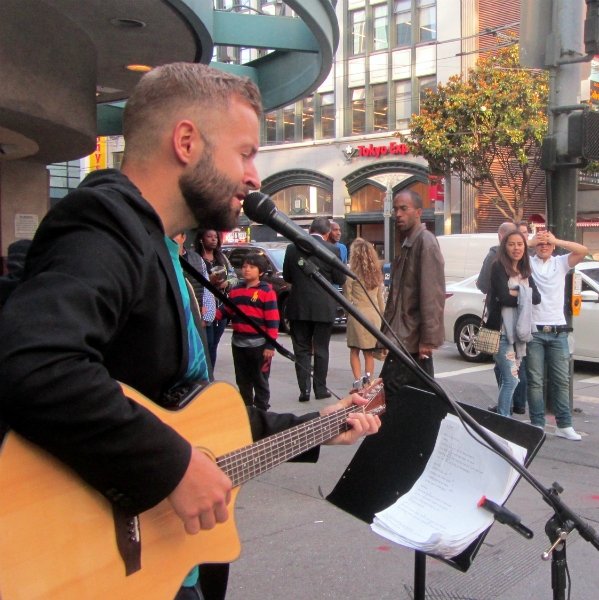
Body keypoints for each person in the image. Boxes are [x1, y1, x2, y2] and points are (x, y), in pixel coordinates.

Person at [0, 63, 380, 600]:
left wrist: (310, 428)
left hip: (169, 564)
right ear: (185, 141)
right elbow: (35, 363)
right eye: (245, 152)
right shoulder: (104, 222)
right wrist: (173, 467)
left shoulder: (165, 247)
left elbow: (182, 413)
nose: (254, 176)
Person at [526, 230, 588, 440]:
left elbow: (583, 250)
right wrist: (532, 241)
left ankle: (564, 424)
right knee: (535, 381)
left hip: (558, 330)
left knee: (562, 380)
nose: (544, 246)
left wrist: (555, 240)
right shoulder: (528, 263)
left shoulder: (560, 262)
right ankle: (536, 423)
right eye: (540, 243)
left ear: (553, 246)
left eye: (547, 243)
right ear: (534, 246)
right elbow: (505, 253)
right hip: (534, 330)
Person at [380, 190, 445, 385]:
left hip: (412, 343)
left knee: (404, 401)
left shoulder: (425, 242)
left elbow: (432, 294)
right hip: (403, 340)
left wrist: (428, 339)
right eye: (395, 209)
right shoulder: (410, 242)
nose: (398, 214)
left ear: (418, 212)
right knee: (402, 402)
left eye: (403, 209)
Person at [283, 216, 347, 402]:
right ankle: (320, 389)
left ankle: (304, 390)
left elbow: (287, 275)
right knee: (321, 348)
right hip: (323, 306)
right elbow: (339, 279)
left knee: (301, 349)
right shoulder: (332, 249)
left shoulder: (291, 248)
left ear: (310, 229)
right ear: (327, 234)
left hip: (298, 306)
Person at [485, 231, 541, 418]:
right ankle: (504, 419)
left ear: (525, 247)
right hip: (501, 332)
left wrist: (516, 291)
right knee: (510, 380)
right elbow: (504, 298)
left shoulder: (525, 270)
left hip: (519, 334)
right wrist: (524, 292)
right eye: (511, 244)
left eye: (520, 244)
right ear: (504, 246)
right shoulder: (498, 267)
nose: (516, 248)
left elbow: (537, 298)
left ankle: (504, 417)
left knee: (513, 379)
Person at [215, 252, 278, 411]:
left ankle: (262, 410)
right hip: (239, 344)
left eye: (252, 267)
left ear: (261, 272)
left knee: (260, 380)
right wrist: (208, 315)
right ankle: (247, 410)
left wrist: (270, 346)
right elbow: (225, 311)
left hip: (259, 346)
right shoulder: (236, 291)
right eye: (244, 266)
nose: (246, 270)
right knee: (243, 381)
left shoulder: (266, 292)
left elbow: (272, 320)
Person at [343, 238, 385, 385]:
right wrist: (383, 318)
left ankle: (357, 381)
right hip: (374, 317)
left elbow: (347, 299)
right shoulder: (377, 275)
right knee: (369, 353)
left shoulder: (351, 274)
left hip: (357, 315)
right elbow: (381, 300)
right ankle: (368, 381)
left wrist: (348, 315)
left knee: (354, 351)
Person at [195, 229, 237, 369]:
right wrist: (209, 281)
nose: (213, 239)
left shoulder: (222, 258)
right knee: (206, 344)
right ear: (201, 238)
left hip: (221, 306)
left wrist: (227, 283)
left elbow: (234, 277)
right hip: (203, 306)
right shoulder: (195, 258)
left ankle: (210, 374)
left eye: (216, 237)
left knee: (213, 345)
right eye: (209, 236)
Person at [174, 232, 216, 331]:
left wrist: (206, 318)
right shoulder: (159, 258)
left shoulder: (196, 259)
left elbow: (206, 289)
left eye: (175, 234)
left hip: (196, 319)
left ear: (183, 238)